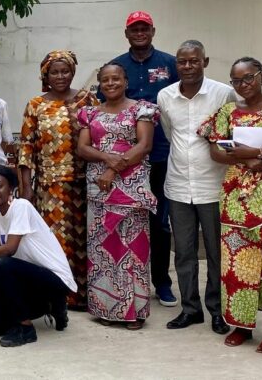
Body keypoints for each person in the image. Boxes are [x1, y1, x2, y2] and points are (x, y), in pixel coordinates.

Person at [198, 57, 262, 352]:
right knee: (236, 263)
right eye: (236, 81)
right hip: (235, 196)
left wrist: (258, 152)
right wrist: (244, 157)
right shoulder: (227, 111)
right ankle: (241, 324)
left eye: (248, 78)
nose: (242, 85)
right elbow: (215, 148)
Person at [157, 41, 236, 334]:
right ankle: (191, 310)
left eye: (194, 61)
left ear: (205, 61)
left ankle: (217, 310)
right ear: (176, 64)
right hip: (177, 185)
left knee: (216, 251)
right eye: (182, 62)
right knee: (184, 252)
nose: (188, 67)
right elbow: (169, 131)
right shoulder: (165, 96)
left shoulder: (222, 93)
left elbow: (231, 132)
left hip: (213, 185)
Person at [76, 61, 158, 330]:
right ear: (99, 83)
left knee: (133, 250)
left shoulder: (141, 109)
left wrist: (113, 170)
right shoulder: (89, 113)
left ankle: (135, 312)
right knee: (103, 251)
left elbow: (144, 145)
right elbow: (83, 149)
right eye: (105, 80)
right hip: (98, 190)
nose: (111, 84)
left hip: (131, 189)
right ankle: (106, 308)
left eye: (116, 79)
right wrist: (106, 159)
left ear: (125, 81)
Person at [106, 11, 179, 307]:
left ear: (152, 31)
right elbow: (103, 106)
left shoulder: (169, 63)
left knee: (159, 223)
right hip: (122, 160)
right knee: (121, 221)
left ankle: (161, 282)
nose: (139, 33)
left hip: (160, 154)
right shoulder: (116, 67)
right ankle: (121, 280)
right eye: (134, 29)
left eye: (144, 28)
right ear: (126, 33)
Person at [17, 50, 96, 310]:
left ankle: (86, 295)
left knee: (86, 240)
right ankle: (60, 297)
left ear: (73, 72)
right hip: (51, 187)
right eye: (54, 72)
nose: (60, 76)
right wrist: (26, 188)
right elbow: (26, 147)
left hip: (87, 183)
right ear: (45, 75)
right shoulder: (36, 104)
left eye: (65, 71)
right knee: (56, 242)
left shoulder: (88, 100)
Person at [0, 165, 75, 347]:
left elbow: (9, 249)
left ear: (11, 188)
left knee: (1, 264)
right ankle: (50, 307)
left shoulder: (21, 206)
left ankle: (26, 328)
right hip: (29, 280)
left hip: (54, 279)